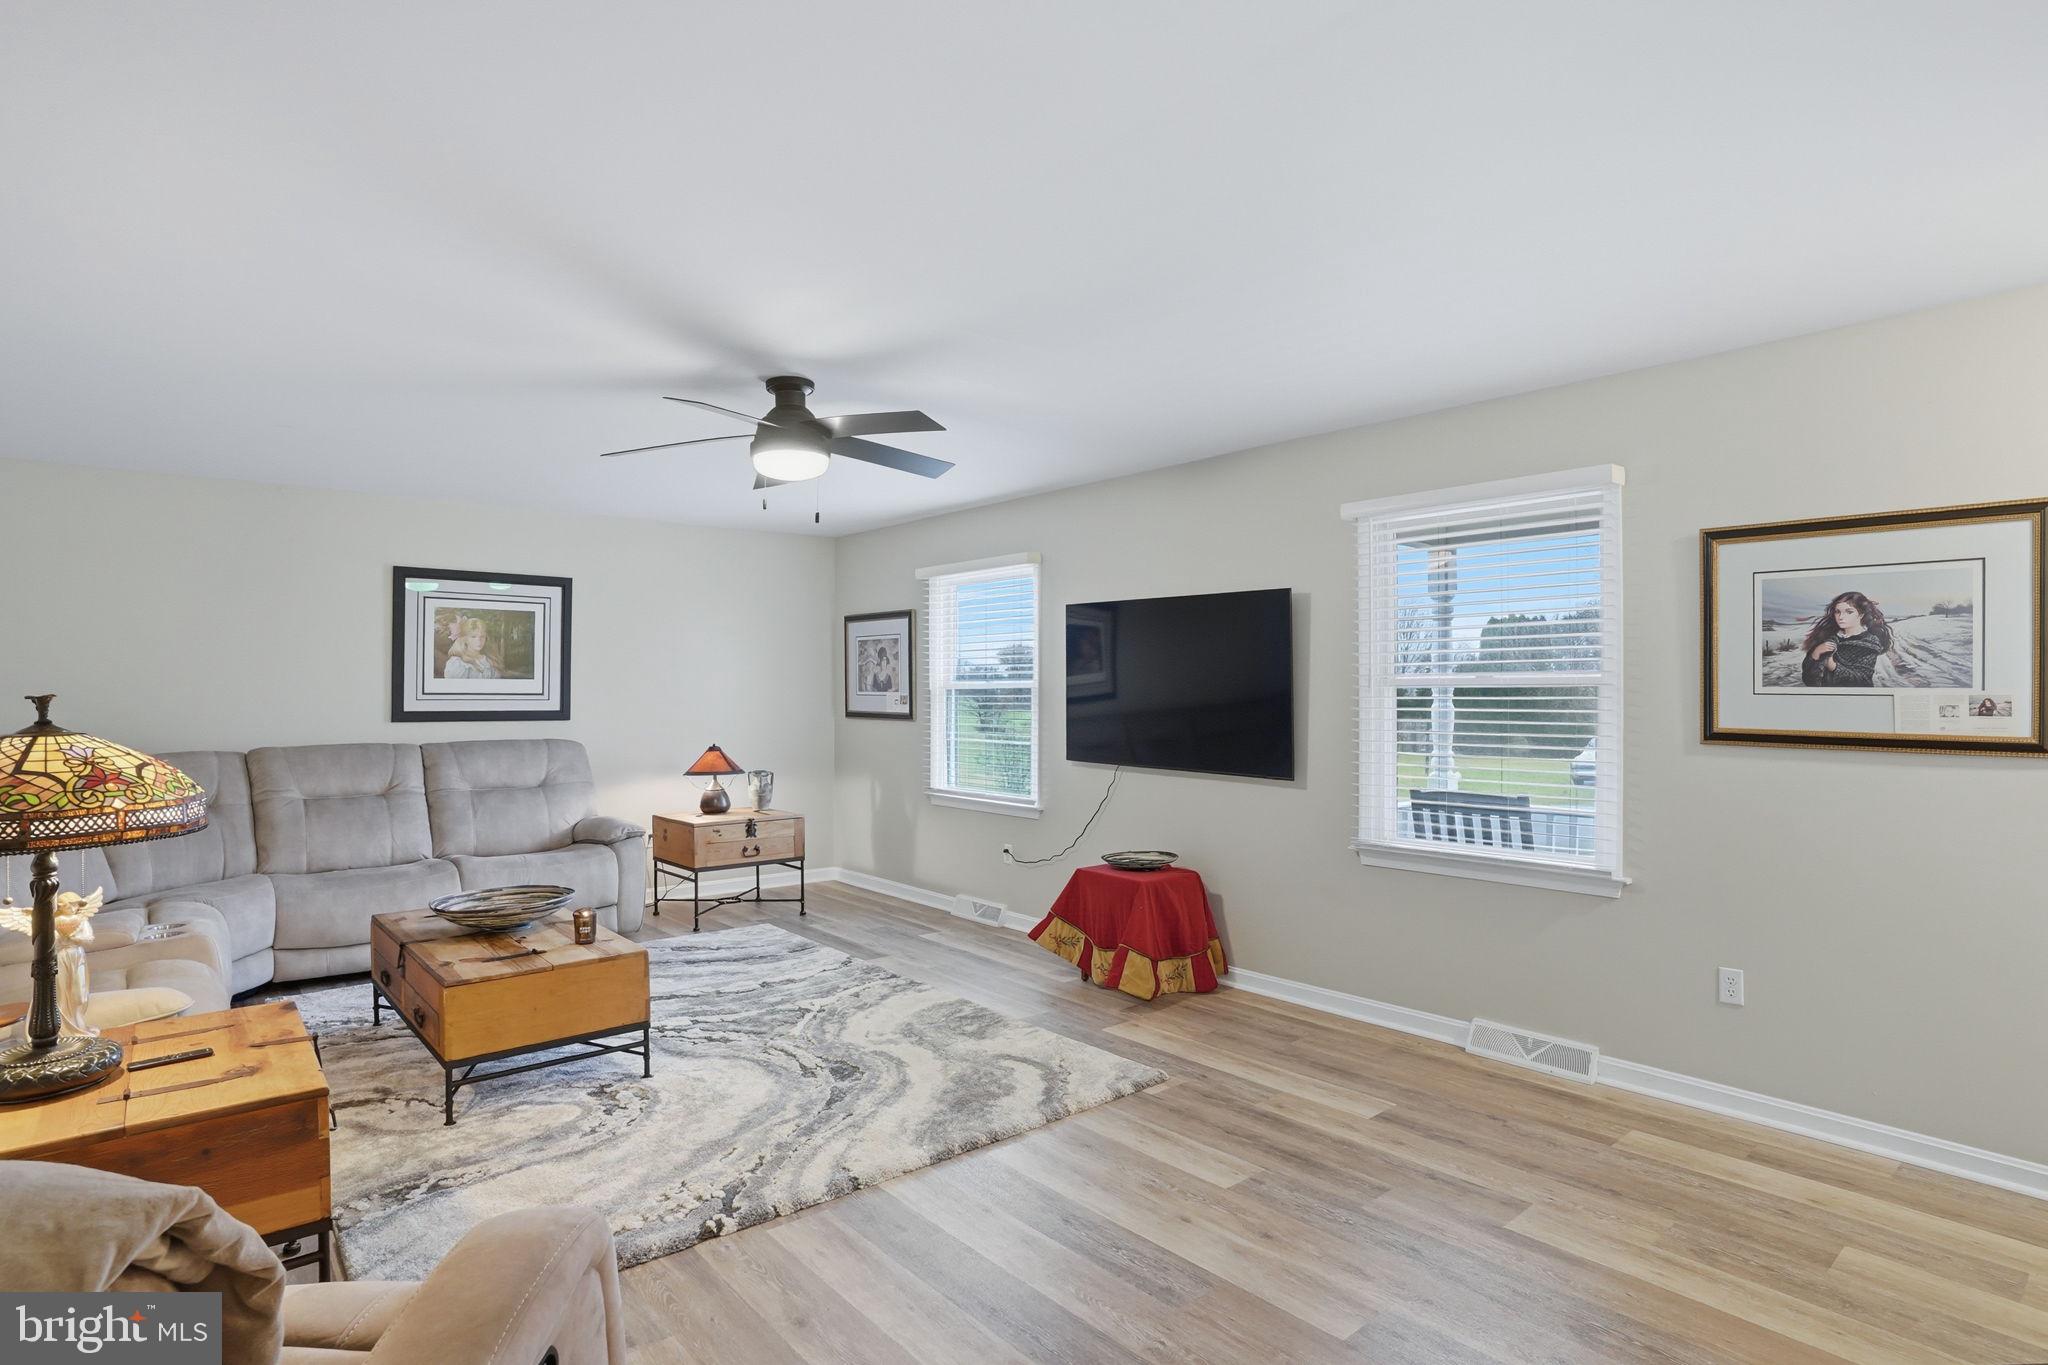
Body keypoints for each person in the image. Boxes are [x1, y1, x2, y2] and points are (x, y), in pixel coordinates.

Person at [1801, 591, 1895, 687]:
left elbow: (1862, 681)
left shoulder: (1870, 643)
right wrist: (1815, 654)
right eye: (1837, 612)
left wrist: (1832, 665)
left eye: (1849, 612)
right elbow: (1808, 680)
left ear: (1861, 615)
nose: (1841, 617)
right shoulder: (1828, 639)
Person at [441, 615, 501, 680]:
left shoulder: (489, 661)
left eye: (482, 636)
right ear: (465, 639)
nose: (479, 641)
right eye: (473, 637)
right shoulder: (457, 663)